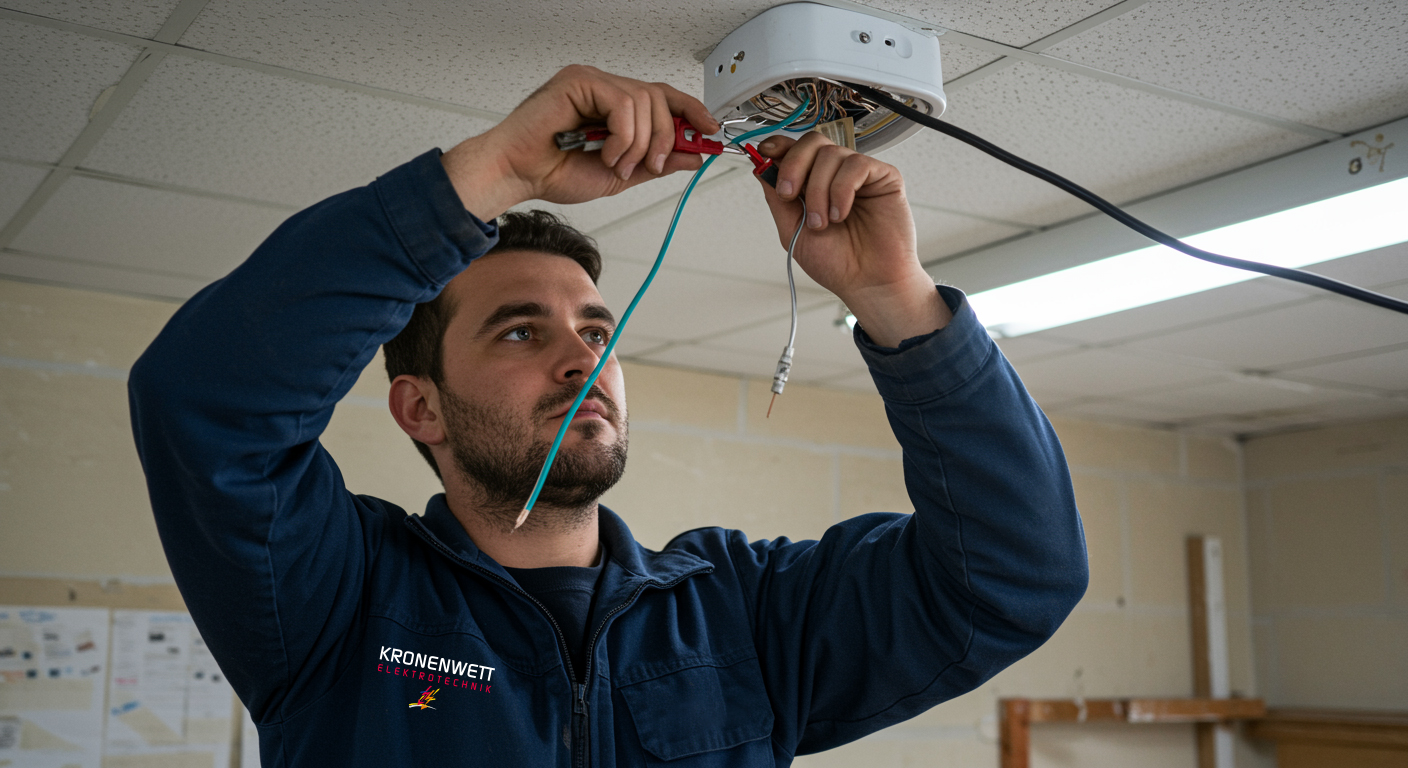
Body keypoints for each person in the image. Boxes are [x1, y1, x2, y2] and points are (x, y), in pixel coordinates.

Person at [129, 65, 1087, 766]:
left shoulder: (745, 614)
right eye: (517, 332)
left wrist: (896, 299)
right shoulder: (337, 600)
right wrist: (496, 169)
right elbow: (206, 404)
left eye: (597, 328)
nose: (582, 356)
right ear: (418, 407)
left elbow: (1013, 577)